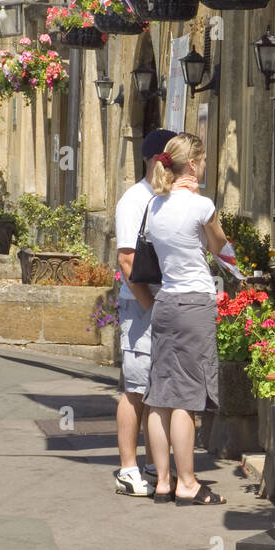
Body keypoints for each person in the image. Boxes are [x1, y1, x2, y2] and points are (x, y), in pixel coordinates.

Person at [142, 132, 229, 505]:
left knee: (160, 393)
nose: (206, 167)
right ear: (192, 164)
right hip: (195, 302)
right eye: (204, 161)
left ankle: (162, 481)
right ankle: (188, 483)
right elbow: (220, 246)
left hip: (165, 303)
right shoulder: (201, 206)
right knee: (186, 397)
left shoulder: (153, 207)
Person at [111, 128, 177, 498]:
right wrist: (151, 306)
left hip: (160, 302)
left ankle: (152, 463)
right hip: (140, 304)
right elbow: (125, 259)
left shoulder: (164, 198)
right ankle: (128, 467)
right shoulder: (135, 200)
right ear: (158, 161)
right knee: (136, 389)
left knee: (158, 387)